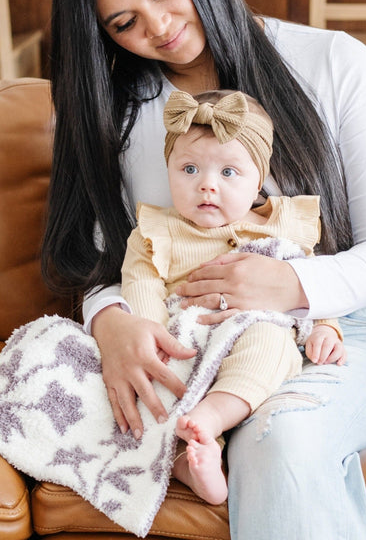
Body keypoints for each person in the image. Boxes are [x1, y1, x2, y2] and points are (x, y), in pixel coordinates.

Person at [42, 0, 366, 537]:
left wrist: (292, 283)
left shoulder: (332, 62)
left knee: (284, 440)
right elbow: (99, 261)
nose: (160, 28)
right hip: (186, 346)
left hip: (338, 338)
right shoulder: (108, 111)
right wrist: (110, 320)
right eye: (124, 23)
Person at [122, 88, 346, 505]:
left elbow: (310, 282)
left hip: (251, 330)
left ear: (258, 181)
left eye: (228, 173)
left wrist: (328, 328)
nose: (207, 186)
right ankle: (185, 460)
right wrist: (155, 336)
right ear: (168, 169)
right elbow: (141, 284)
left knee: (269, 341)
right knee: (152, 382)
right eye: (189, 169)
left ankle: (210, 420)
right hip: (183, 336)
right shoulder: (155, 232)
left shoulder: (279, 227)